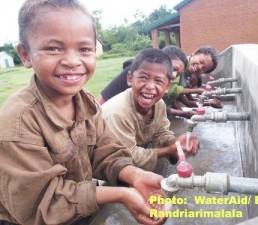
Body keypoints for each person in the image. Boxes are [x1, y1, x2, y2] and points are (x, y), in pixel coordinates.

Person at [0, 1, 166, 225]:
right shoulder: (18, 120)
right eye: (53, 48)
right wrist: (121, 194)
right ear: (25, 54)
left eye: (84, 49)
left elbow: (106, 151)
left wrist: (134, 175)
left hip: (78, 211)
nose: (72, 61)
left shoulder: (85, 101)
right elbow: (40, 202)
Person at [101, 48, 199, 172]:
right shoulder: (118, 113)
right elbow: (128, 154)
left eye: (158, 80)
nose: (150, 87)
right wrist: (168, 150)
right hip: (100, 163)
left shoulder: (159, 104)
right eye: (143, 78)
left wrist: (175, 143)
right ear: (130, 78)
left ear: (168, 86)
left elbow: (161, 132)